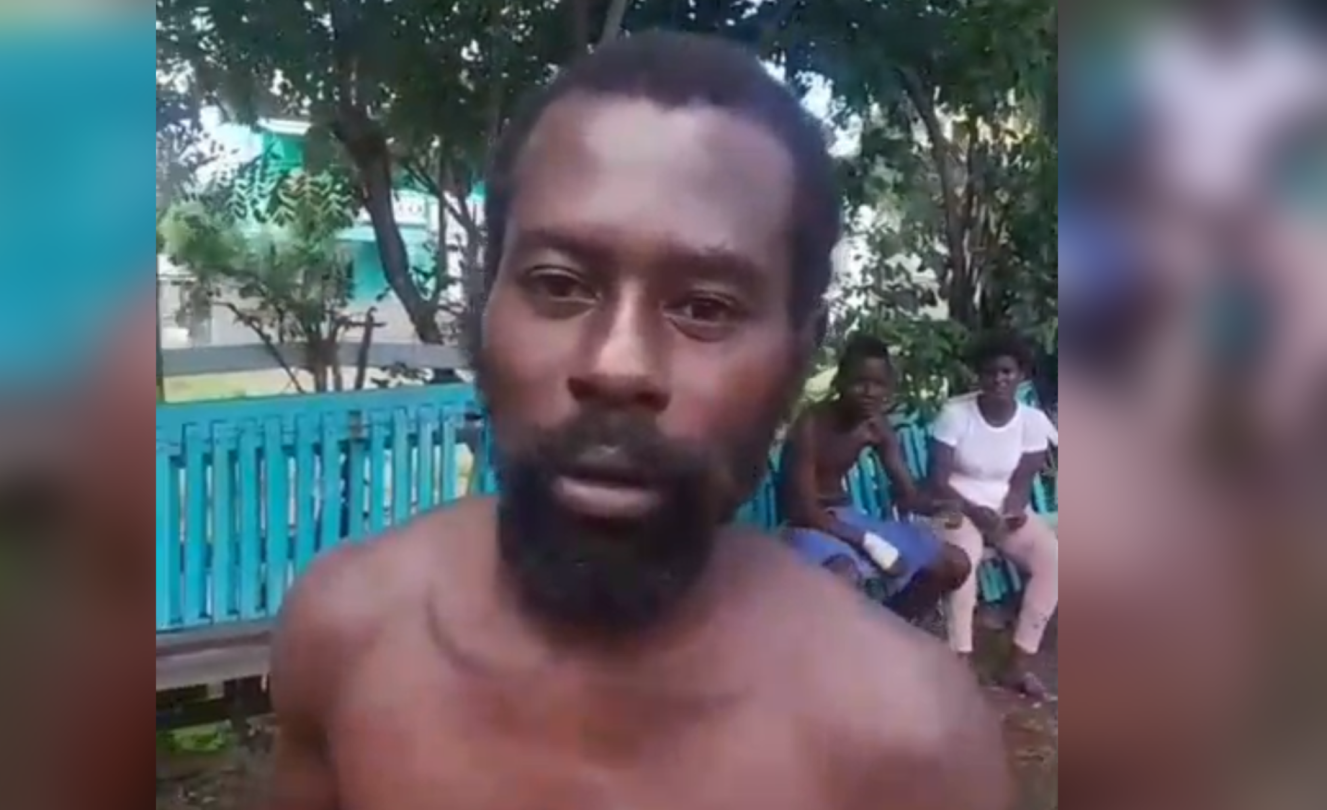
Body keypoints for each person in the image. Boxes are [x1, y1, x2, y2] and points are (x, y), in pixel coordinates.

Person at [266, 32, 1010, 810]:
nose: (617, 366)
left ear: (799, 354)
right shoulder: (347, 636)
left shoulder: (910, 744)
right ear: (486, 305)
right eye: (559, 284)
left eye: (705, 307)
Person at [780, 334, 971, 621]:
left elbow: (908, 494)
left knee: (955, 563)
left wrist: (938, 507)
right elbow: (804, 510)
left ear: (888, 388)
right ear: (840, 381)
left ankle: (892, 624)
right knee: (842, 577)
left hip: (848, 518)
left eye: (878, 384)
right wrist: (868, 542)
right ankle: (849, 641)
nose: (869, 392)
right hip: (808, 525)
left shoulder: (875, 427)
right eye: (860, 382)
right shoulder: (811, 424)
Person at [929, 331, 1060, 699]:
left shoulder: (1032, 421)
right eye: (990, 372)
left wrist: (1014, 508)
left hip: (1002, 511)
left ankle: (1017, 665)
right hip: (956, 505)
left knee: (1053, 561)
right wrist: (975, 512)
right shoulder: (956, 415)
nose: (999, 379)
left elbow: (1022, 479)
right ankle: (960, 662)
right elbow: (937, 480)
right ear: (979, 375)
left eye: (1007, 372)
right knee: (964, 560)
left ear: (1021, 375)